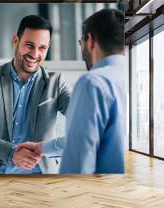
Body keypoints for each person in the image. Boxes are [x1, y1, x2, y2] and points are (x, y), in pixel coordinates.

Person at [17, 9, 126, 174]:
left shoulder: (92, 82)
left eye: (80, 42)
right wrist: (42, 148)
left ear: (89, 40)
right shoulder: (132, 75)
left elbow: (79, 157)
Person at [0, 15, 70, 174]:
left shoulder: (56, 83)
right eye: (29, 45)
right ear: (15, 41)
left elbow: (84, 122)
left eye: (42, 48)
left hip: (39, 178)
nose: (35, 54)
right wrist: (11, 153)